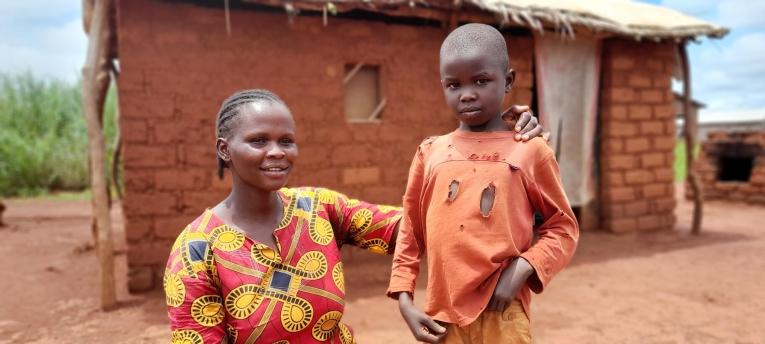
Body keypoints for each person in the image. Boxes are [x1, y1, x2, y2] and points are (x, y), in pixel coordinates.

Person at [163, 89, 544, 343]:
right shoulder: (196, 251)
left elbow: (417, 226)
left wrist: (496, 140)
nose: (277, 152)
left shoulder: (318, 209)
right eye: (259, 141)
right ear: (224, 149)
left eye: (286, 141)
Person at [388, 23, 579, 344]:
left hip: (504, 312)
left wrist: (523, 268)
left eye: (481, 80)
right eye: (453, 84)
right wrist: (404, 296)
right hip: (442, 314)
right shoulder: (430, 152)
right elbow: (410, 227)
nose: (467, 94)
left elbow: (563, 227)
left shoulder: (529, 149)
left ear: (508, 81)